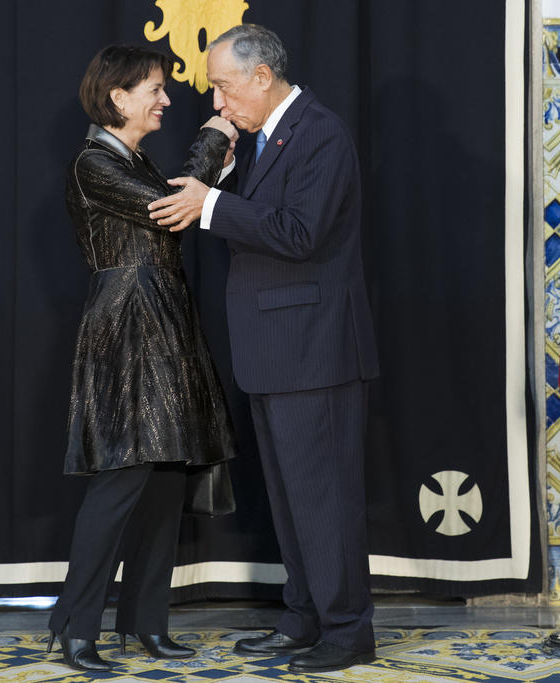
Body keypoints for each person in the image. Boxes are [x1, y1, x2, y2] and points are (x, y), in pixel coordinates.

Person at [148, 24, 379, 674]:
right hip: (278, 351)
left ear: (260, 76)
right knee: (292, 499)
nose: (218, 104)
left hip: (317, 353)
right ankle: (304, 617)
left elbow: (300, 233)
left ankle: (345, 630)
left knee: (324, 500)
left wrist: (213, 205)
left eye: (222, 87)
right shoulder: (268, 138)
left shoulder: (320, 134)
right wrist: (225, 181)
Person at [47, 44, 238, 672]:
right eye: (154, 89)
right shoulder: (91, 163)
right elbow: (168, 212)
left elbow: (181, 202)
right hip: (128, 329)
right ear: (116, 98)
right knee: (121, 482)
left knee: (164, 481)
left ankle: (145, 624)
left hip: (165, 322)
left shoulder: (132, 159)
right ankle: (74, 629)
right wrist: (212, 145)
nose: (166, 99)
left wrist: (213, 170)